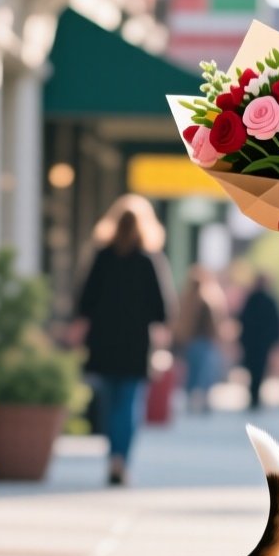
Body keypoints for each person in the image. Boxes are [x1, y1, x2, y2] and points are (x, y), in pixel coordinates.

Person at [74, 195, 171, 487]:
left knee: (108, 402)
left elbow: (84, 302)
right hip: (135, 344)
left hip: (103, 342)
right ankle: (121, 460)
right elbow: (163, 310)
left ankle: (112, 456)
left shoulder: (102, 256)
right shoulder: (149, 260)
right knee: (128, 404)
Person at [173, 264, 228, 415]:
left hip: (191, 341)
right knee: (205, 372)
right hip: (204, 341)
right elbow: (215, 323)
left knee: (194, 372)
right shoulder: (209, 299)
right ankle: (203, 399)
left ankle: (192, 398)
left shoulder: (185, 299)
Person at [236, 274, 279, 411]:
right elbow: (276, 323)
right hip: (260, 343)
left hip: (254, 342)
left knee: (255, 369)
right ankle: (254, 394)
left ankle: (254, 394)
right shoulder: (266, 300)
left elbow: (242, 320)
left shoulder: (253, 300)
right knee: (258, 369)